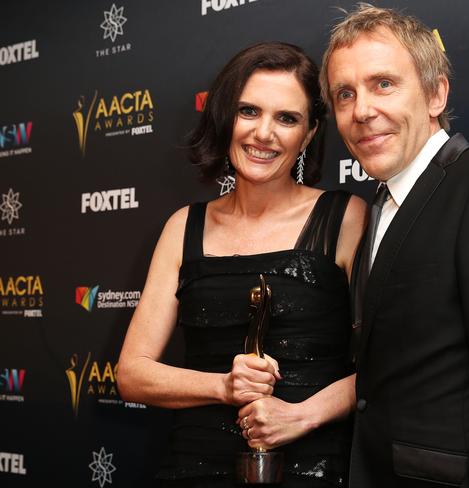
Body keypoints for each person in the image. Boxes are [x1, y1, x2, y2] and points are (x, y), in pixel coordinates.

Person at [321, 5, 469, 488]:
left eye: (383, 84)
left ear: (436, 94)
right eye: (344, 94)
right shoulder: (379, 203)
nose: (362, 111)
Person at [117, 42, 366, 487]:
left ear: (308, 134)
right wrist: (223, 387)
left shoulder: (345, 218)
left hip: (315, 466)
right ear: (225, 117)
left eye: (286, 118)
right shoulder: (183, 226)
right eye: (249, 111)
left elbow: (385, 364)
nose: (263, 133)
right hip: (193, 467)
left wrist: (301, 416)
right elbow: (133, 374)